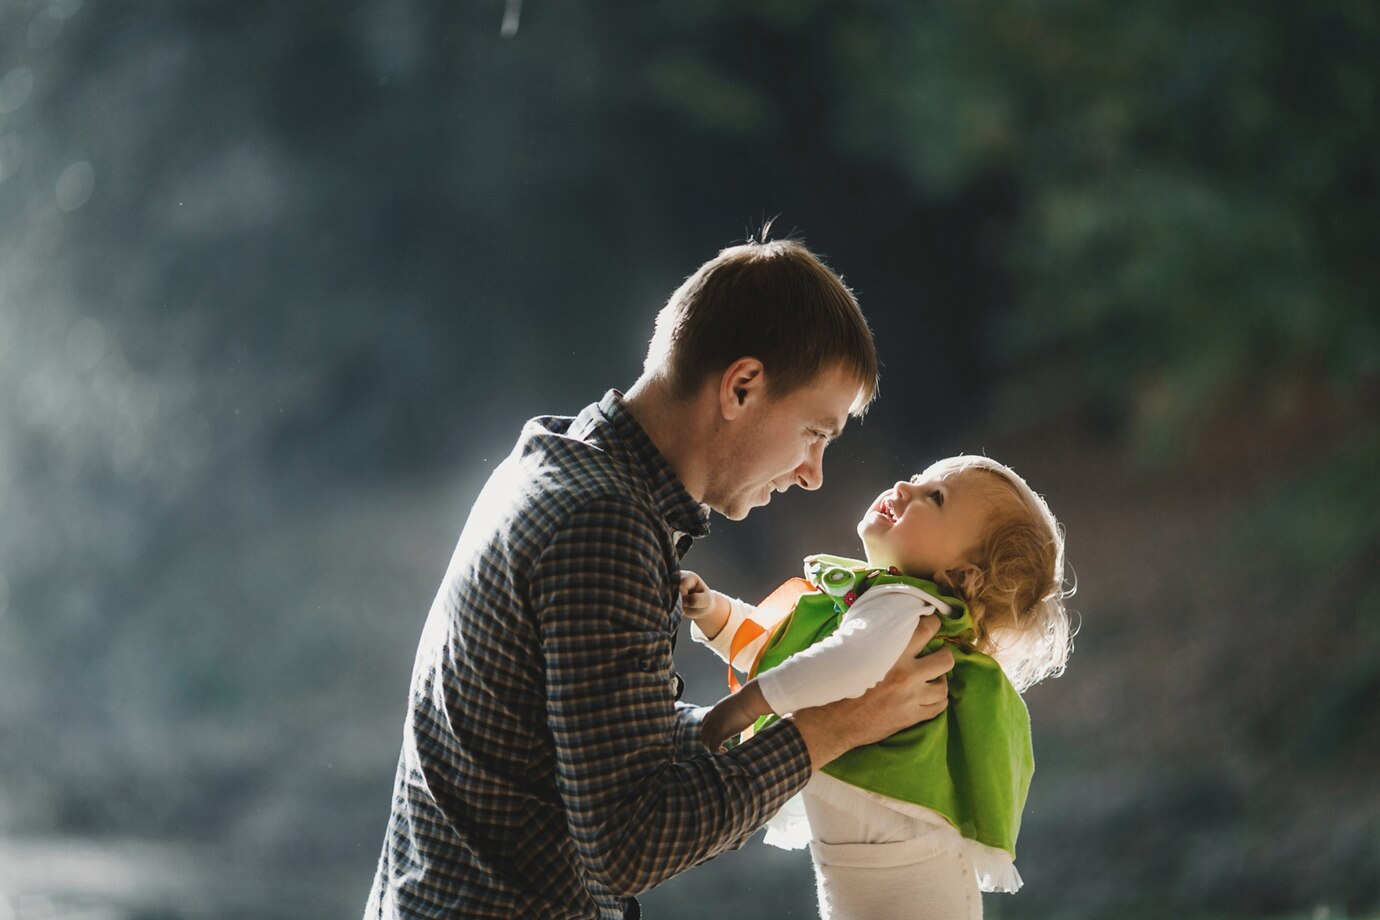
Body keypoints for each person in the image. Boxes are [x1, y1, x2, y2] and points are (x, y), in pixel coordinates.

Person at [364, 238, 958, 919]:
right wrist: (832, 730)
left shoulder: (555, 465)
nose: (813, 473)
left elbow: (596, 737)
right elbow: (627, 844)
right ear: (742, 387)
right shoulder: (601, 526)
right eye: (814, 433)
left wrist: (765, 716)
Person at [680, 455, 1072, 920]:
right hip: (881, 876)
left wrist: (746, 705)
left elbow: (838, 666)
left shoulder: (901, 606)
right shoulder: (875, 609)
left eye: (936, 497)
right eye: (920, 479)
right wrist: (714, 614)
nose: (906, 485)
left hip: (911, 886)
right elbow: (787, 653)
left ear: (961, 575)